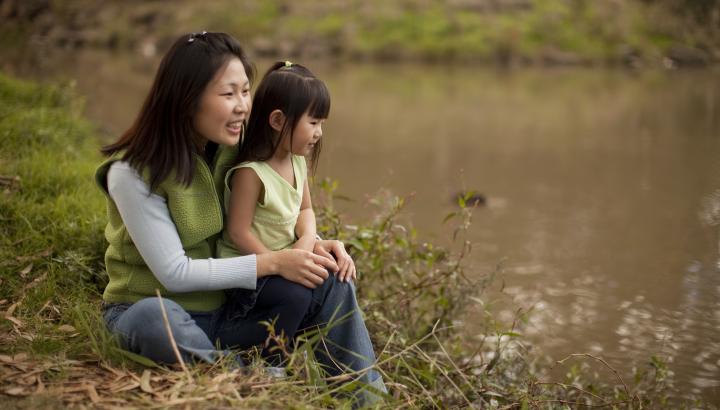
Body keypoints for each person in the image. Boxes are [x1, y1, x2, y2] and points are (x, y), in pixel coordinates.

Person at [94, 31, 386, 404]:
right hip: (156, 312)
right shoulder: (132, 174)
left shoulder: (233, 148)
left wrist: (314, 246)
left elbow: (281, 205)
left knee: (334, 280)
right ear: (186, 98)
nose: (243, 107)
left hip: (228, 314)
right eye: (228, 94)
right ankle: (240, 376)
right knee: (154, 319)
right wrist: (273, 263)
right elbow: (174, 273)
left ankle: (367, 397)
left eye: (246, 91)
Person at [215, 61, 357, 365]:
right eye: (314, 122)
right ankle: (270, 364)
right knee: (296, 295)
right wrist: (278, 264)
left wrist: (307, 241)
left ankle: (332, 366)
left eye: (322, 123)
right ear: (278, 120)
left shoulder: (297, 162)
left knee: (331, 275)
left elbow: (305, 209)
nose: (319, 132)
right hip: (249, 269)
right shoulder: (251, 173)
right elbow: (237, 232)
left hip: (284, 259)